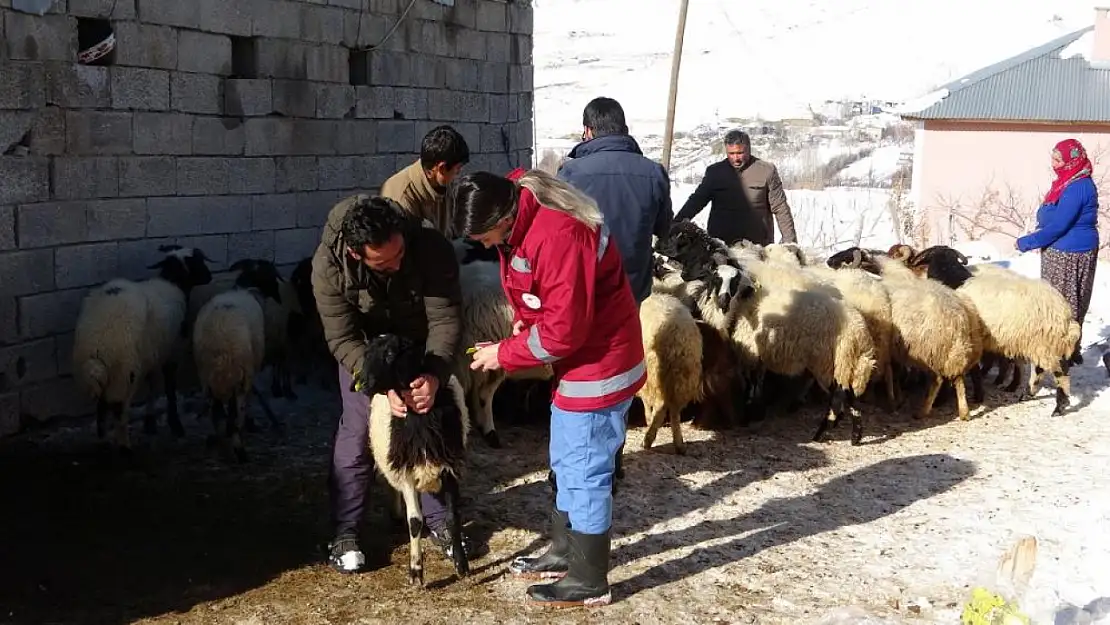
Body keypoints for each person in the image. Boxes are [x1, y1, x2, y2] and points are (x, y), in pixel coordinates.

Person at [452, 168, 646, 607]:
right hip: (577, 364)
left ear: (502, 219)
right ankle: (564, 550)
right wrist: (527, 317)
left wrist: (504, 353)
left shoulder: (558, 235)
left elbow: (564, 331)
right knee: (565, 460)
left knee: (586, 471)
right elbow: (550, 294)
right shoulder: (521, 211)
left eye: (484, 236)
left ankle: (589, 577)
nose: (483, 246)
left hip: (599, 364)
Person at [311, 195, 477, 574]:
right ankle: (346, 531)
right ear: (356, 255)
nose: (398, 264)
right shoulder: (328, 266)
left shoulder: (429, 246)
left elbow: (446, 318)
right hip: (368, 355)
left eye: (400, 253)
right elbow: (341, 338)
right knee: (357, 433)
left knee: (432, 427)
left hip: (421, 347)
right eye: (385, 263)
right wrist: (380, 387)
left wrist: (434, 373)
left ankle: (439, 523)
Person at [558, 97, 673, 304]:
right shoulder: (654, 173)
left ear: (588, 131)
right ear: (624, 129)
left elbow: (556, 233)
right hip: (633, 290)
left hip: (585, 287)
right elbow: (663, 228)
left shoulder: (570, 173)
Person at [1016, 138, 1101, 365]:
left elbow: (1060, 224)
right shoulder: (1066, 181)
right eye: (1052, 158)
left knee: (1065, 302)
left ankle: (1065, 349)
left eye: (1058, 159)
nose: (1053, 163)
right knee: (1058, 300)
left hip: (1071, 252)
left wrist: (1028, 242)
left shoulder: (1078, 186)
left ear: (1071, 160)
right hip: (1059, 248)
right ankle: (1064, 347)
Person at [674, 129, 798, 246]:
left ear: (749, 149)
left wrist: (790, 242)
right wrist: (675, 225)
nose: (736, 158)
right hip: (721, 244)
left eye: (740, 153)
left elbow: (780, 207)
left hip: (757, 245)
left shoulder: (767, 171)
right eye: (731, 154)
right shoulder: (715, 172)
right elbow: (697, 201)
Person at [381, 124, 470, 236]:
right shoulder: (401, 196)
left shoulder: (444, 183)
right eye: (457, 169)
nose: (458, 174)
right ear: (441, 168)